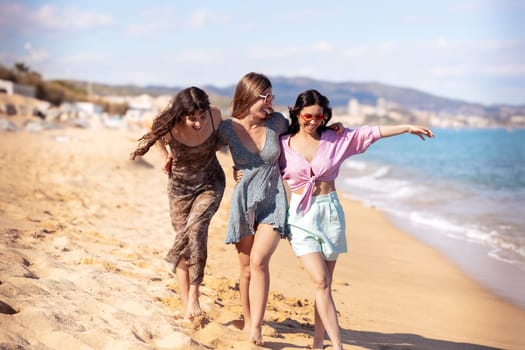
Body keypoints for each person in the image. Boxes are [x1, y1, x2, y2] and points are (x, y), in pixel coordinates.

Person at [279, 89, 434, 349]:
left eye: (320, 116)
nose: (314, 121)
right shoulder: (283, 143)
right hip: (300, 215)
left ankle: (318, 341)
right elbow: (258, 155)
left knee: (324, 286)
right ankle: (338, 345)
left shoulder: (336, 138)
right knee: (320, 281)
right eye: (308, 115)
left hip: (330, 214)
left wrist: (407, 127)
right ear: (297, 113)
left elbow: (370, 132)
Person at [130, 87, 225, 321]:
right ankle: (187, 306)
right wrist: (164, 155)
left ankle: (194, 295)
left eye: (202, 117)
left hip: (210, 183)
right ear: (181, 114)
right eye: (192, 118)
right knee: (185, 243)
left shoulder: (215, 115)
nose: (199, 123)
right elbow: (150, 125)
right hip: (180, 188)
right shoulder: (168, 122)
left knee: (196, 231)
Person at [217, 72, 289, 345]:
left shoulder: (278, 122)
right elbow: (202, 148)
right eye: (265, 96)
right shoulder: (226, 128)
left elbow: (309, 134)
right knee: (246, 267)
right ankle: (248, 319)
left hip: (273, 201)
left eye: (272, 96)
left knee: (259, 261)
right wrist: (229, 172)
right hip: (244, 201)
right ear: (248, 96)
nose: (270, 102)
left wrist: (335, 127)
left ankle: (256, 327)